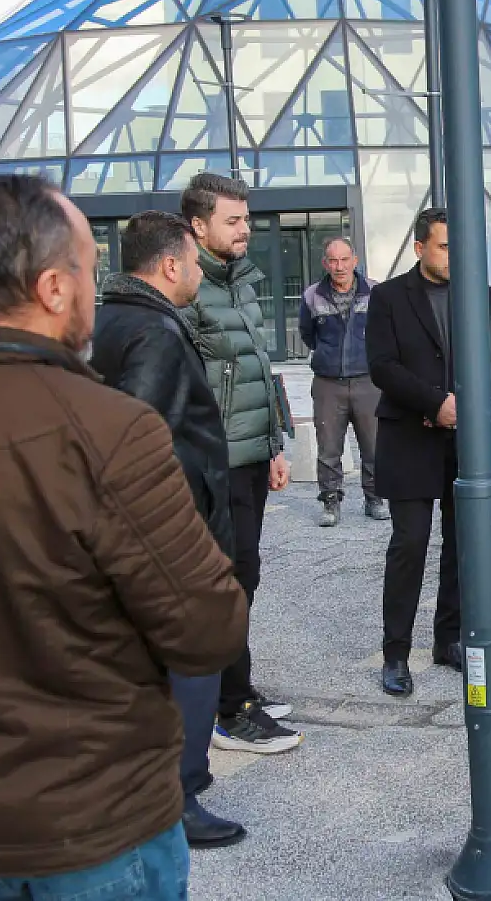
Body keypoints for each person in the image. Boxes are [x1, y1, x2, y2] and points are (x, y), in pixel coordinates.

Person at [0, 175, 246, 901]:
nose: (99, 294)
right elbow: (207, 626)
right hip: (96, 817)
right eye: (91, 274)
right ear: (54, 288)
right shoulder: (108, 430)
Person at [91, 211, 256, 848]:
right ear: (169, 266)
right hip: (174, 529)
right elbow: (140, 438)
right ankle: (178, 798)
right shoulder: (157, 331)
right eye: (190, 262)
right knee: (194, 660)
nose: (195, 273)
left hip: (144, 532)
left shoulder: (109, 319)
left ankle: (154, 786)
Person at [368, 208, 491, 697]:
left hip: (466, 438)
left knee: (462, 544)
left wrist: (464, 406)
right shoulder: (388, 298)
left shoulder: (483, 296)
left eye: (460, 246)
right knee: (409, 545)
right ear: (419, 248)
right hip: (409, 437)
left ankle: (448, 639)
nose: (454, 255)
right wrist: (434, 403)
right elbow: (382, 366)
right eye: (445, 246)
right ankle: (395, 654)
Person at [181, 172, 300, 753]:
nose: (244, 230)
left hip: (251, 455)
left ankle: (237, 689)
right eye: (233, 221)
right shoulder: (188, 289)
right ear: (198, 226)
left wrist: (275, 446)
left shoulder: (240, 283)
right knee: (228, 581)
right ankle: (229, 709)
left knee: (244, 575)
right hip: (215, 462)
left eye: (246, 219)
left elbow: (260, 370)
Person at [300, 236, 388, 527]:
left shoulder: (376, 292)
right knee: (328, 447)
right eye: (333, 260)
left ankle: (374, 498)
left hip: (368, 382)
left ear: (355, 260)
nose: (339, 266)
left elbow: (384, 333)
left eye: (344, 259)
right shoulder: (312, 295)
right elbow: (307, 335)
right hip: (328, 384)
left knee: (374, 445)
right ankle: (330, 502)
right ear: (325, 263)